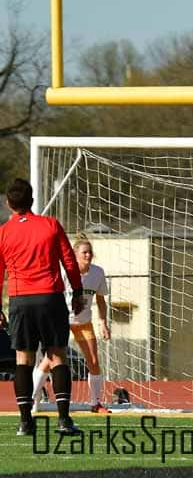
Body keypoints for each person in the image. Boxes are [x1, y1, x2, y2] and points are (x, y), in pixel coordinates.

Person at [0, 178, 84, 436]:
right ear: (32, 201)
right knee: (57, 357)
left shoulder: (3, 232)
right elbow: (69, 260)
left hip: (20, 300)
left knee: (23, 360)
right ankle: (63, 420)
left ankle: (25, 422)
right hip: (50, 298)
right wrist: (78, 291)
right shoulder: (50, 225)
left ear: (8, 204)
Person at [32, 235, 112, 413]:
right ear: (75, 255)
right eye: (84, 252)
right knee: (49, 360)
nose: (88, 255)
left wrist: (103, 323)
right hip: (62, 320)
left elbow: (100, 300)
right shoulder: (64, 271)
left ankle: (95, 403)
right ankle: (32, 400)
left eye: (90, 252)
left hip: (83, 322)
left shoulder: (97, 272)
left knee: (93, 361)